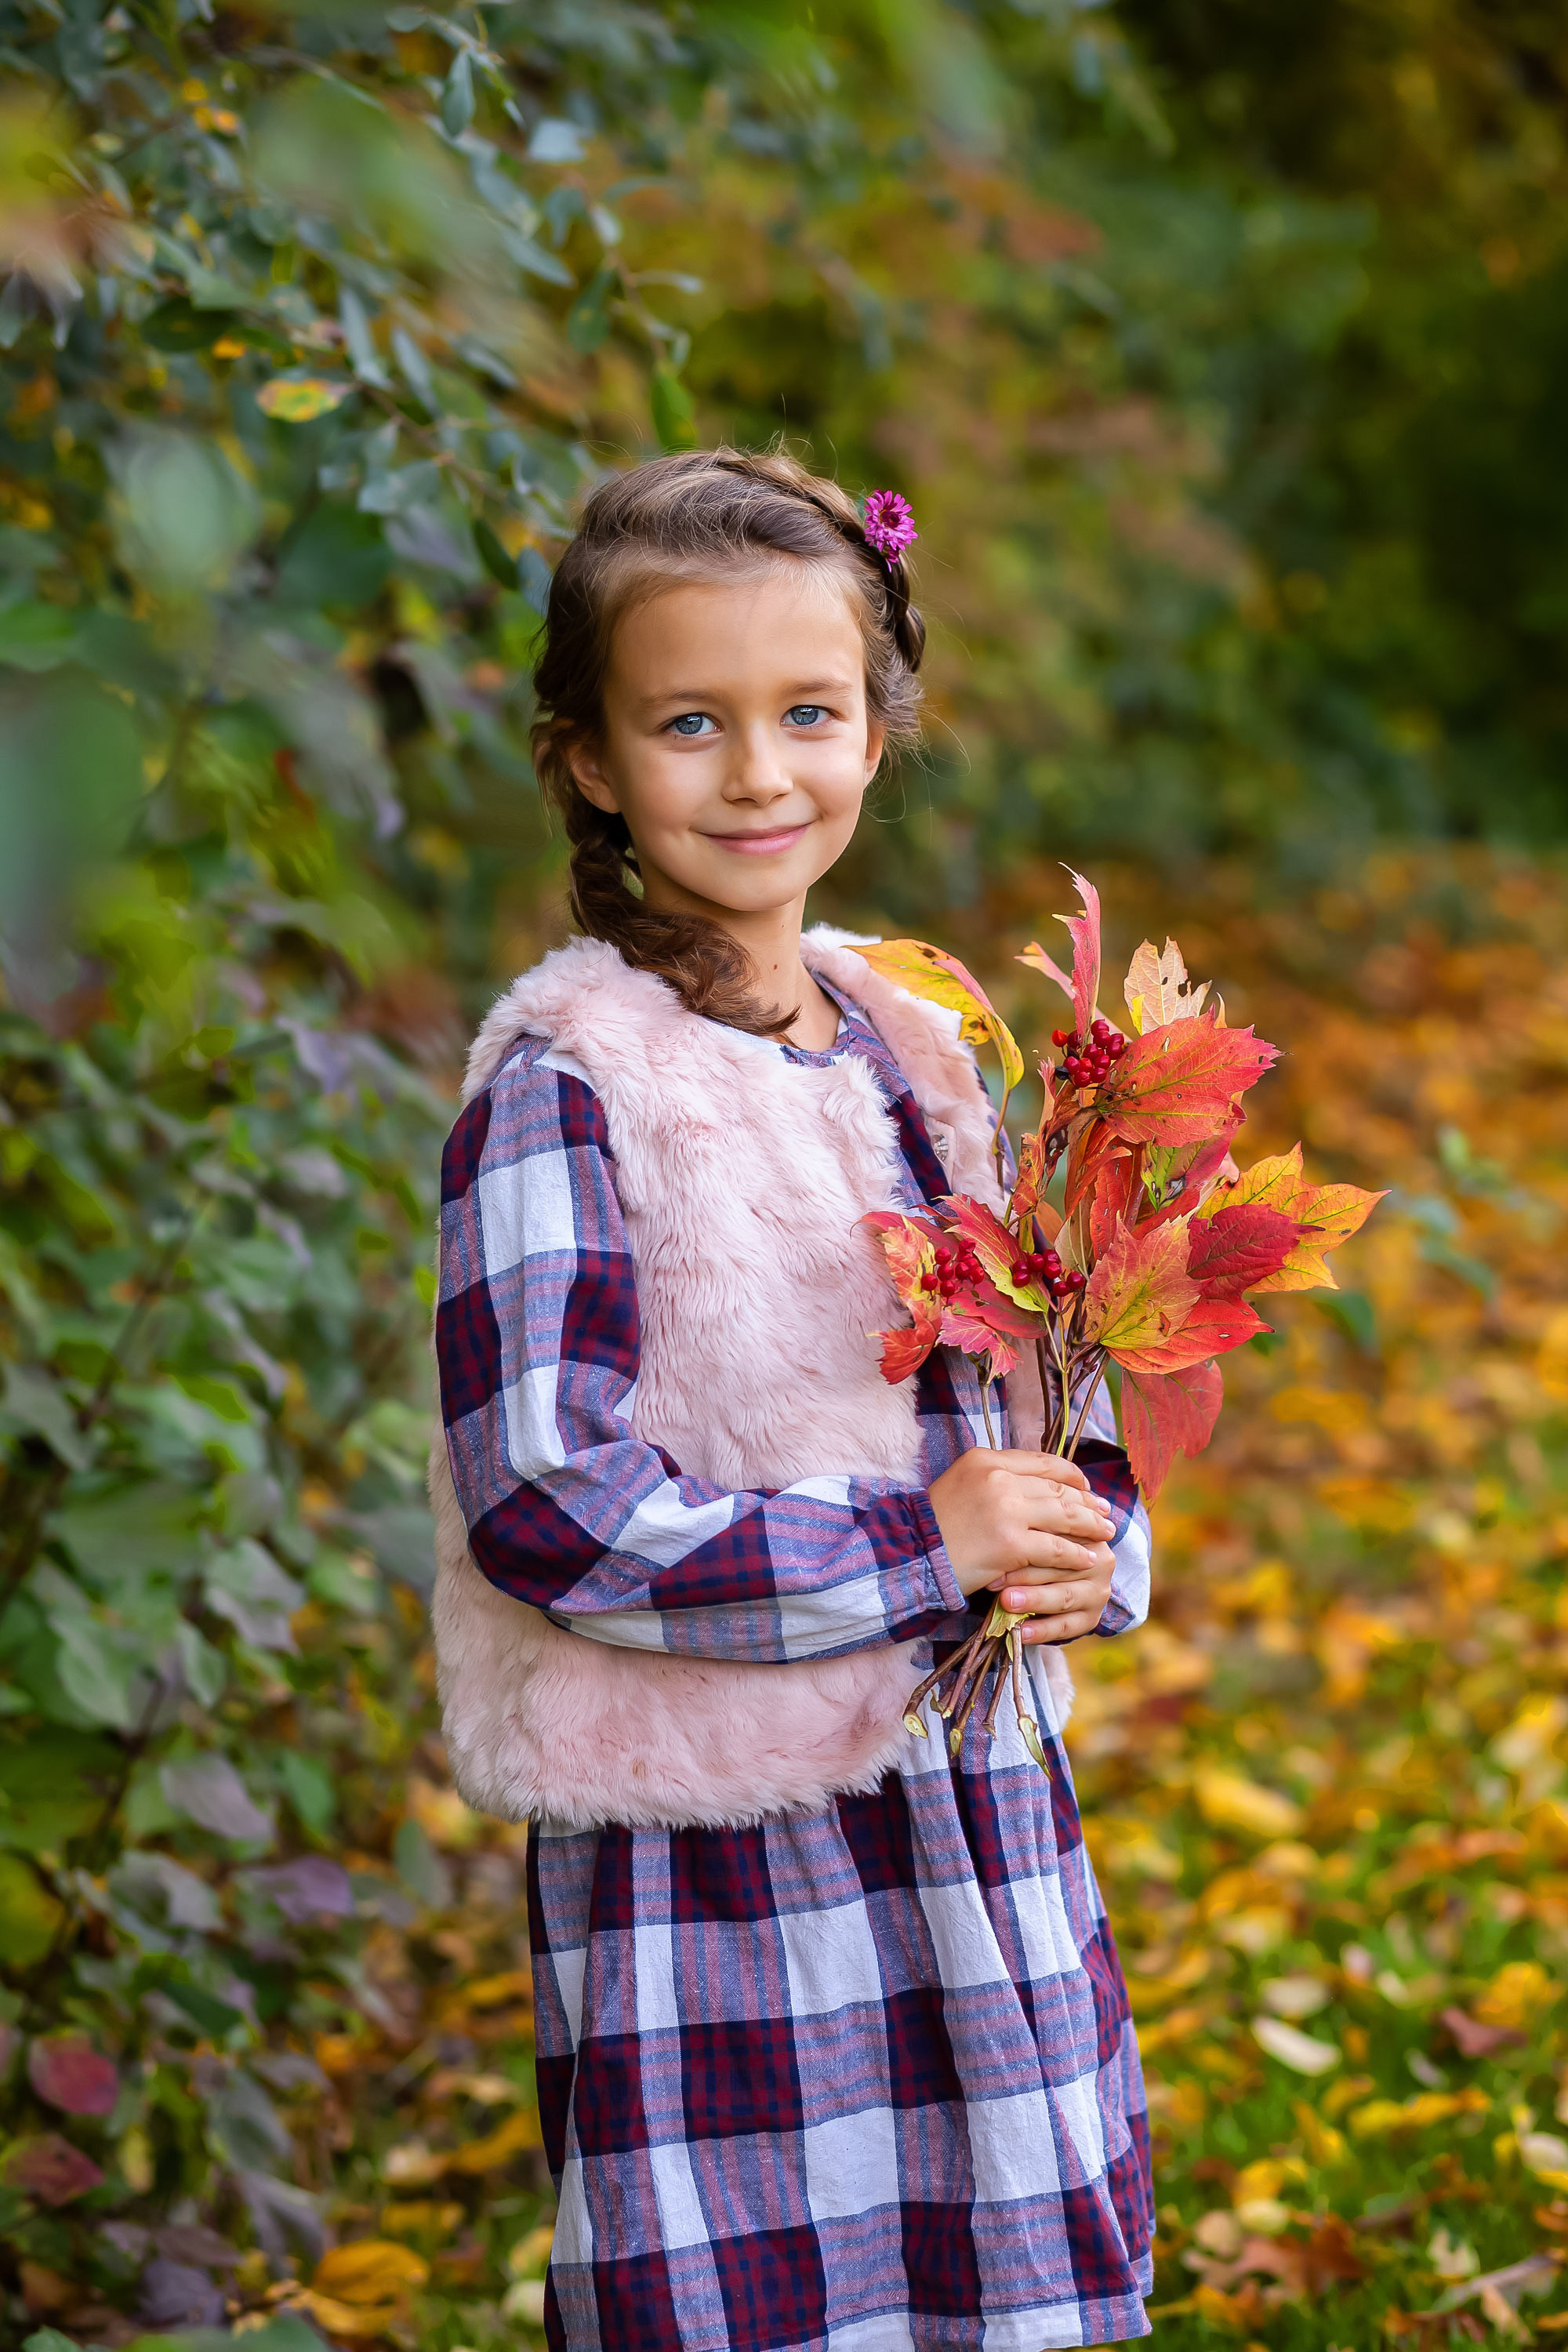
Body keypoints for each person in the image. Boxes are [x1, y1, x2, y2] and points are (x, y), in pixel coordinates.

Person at [430, 448, 1154, 2352]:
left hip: (965, 1786)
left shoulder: (921, 1040)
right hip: (722, 1834)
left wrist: (1088, 1539)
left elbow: (1033, 1366)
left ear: (878, 721)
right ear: (590, 757)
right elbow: (543, 1504)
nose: (760, 773)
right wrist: (920, 1548)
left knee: (999, 2269)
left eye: (807, 713)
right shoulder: (570, 1080)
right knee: (769, 2291)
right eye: (691, 721)